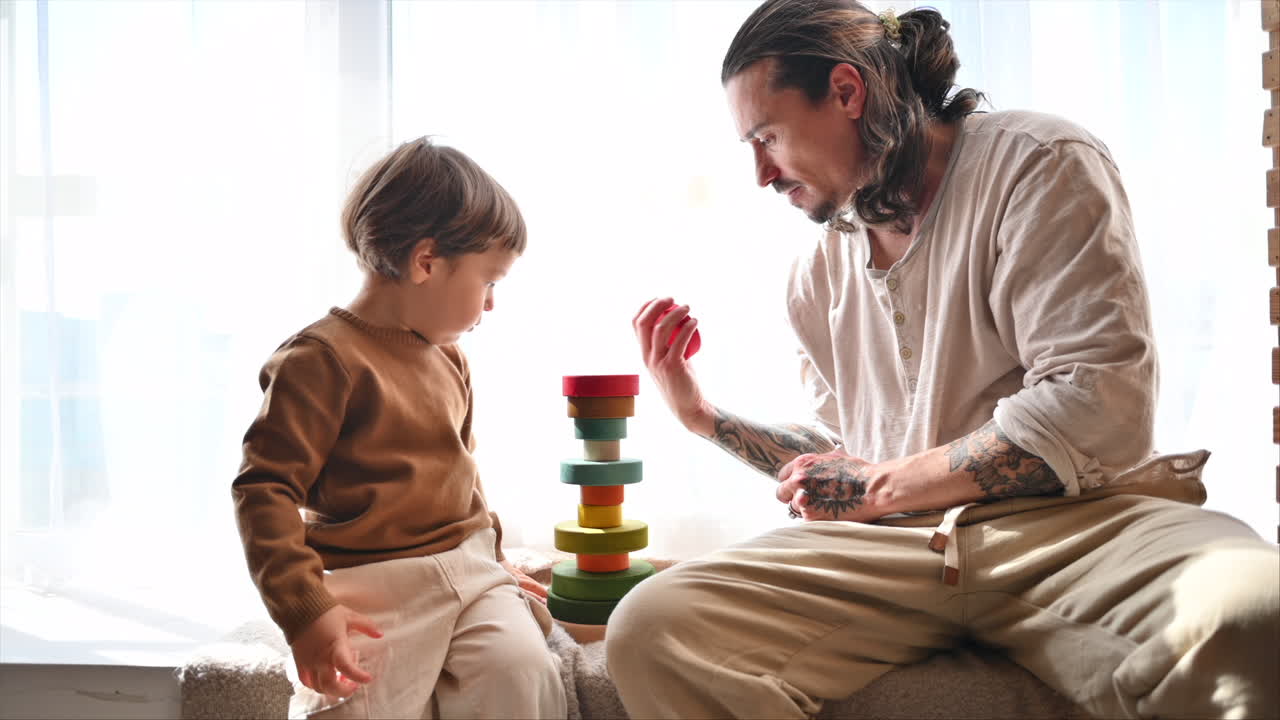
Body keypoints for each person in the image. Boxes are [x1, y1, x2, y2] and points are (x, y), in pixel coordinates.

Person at [606, 1, 1279, 718]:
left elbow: (1094, 404)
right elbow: (849, 464)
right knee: (652, 627)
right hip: (895, 551)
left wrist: (883, 487)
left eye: (766, 137)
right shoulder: (815, 277)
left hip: (1075, 529)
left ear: (845, 91)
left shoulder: (1038, 164)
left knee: (1252, 607)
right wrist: (702, 417)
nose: (760, 174)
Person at [231, 138, 566, 720]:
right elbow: (265, 490)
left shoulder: (450, 358)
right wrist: (306, 610)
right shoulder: (319, 360)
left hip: (469, 570)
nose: (490, 305)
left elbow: (461, 471)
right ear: (426, 262)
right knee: (349, 700)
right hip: (375, 581)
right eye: (489, 281)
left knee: (522, 672)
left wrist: (494, 556)